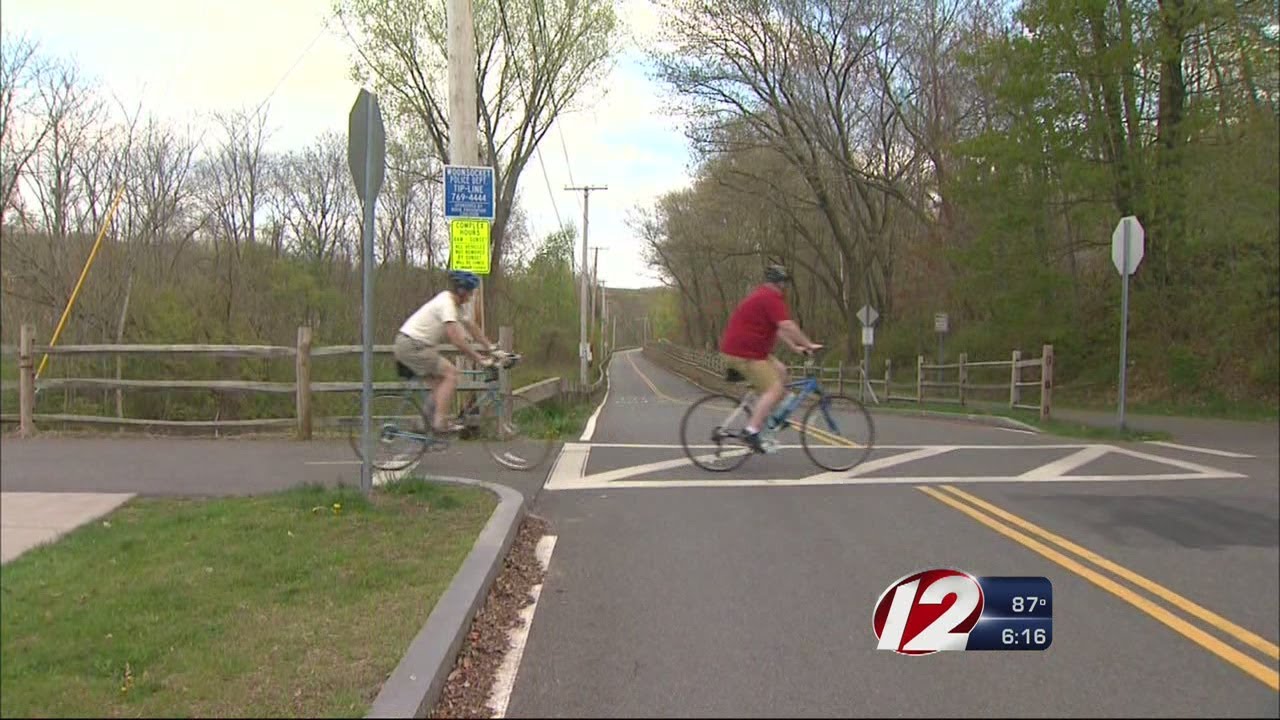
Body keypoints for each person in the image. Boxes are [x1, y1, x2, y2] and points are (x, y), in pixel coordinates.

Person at [719, 264, 822, 453]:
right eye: (784, 283)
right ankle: (751, 431)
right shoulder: (769, 298)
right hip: (744, 352)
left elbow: (779, 329)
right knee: (774, 389)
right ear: (779, 283)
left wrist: (796, 347)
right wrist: (808, 344)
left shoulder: (763, 295)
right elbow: (787, 325)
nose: (784, 287)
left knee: (782, 371)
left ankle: (773, 418)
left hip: (752, 350)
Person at [393, 270, 499, 433]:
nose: (471, 296)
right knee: (451, 373)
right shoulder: (447, 304)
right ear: (462, 291)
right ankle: (439, 423)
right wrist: (479, 358)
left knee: (440, 384)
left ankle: (423, 424)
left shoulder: (455, 306)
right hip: (412, 345)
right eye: (470, 292)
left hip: (412, 344)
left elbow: (472, 327)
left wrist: (491, 348)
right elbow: (456, 340)